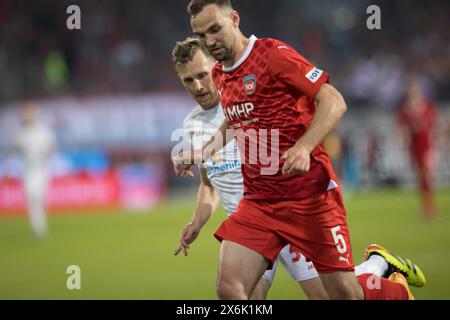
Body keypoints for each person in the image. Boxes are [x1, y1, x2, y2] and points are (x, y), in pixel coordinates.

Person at [171, 34, 425, 300]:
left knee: (336, 294)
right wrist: (196, 222)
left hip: (288, 206)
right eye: (189, 80)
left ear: (215, 65)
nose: (198, 86)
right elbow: (208, 184)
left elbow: (318, 104)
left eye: (202, 74)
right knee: (237, 294)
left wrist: (304, 147)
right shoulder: (192, 125)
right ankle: (376, 266)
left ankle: (378, 267)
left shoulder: (247, 90)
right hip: (252, 224)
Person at [397, 79, 438, 220]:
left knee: (426, 175)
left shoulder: (427, 107)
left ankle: (429, 207)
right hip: (414, 147)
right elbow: (401, 128)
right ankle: (427, 206)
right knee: (421, 177)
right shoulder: (405, 110)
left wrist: (434, 148)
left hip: (426, 145)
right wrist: (403, 137)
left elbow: (433, 126)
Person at [15, 102, 56, 239]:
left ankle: (39, 226)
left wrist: (45, 153)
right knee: (32, 198)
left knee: (40, 198)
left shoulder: (43, 131)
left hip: (42, 169)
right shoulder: (22, 133)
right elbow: (18, 149)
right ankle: (37, 228)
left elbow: (52, 147)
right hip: (28, 170)